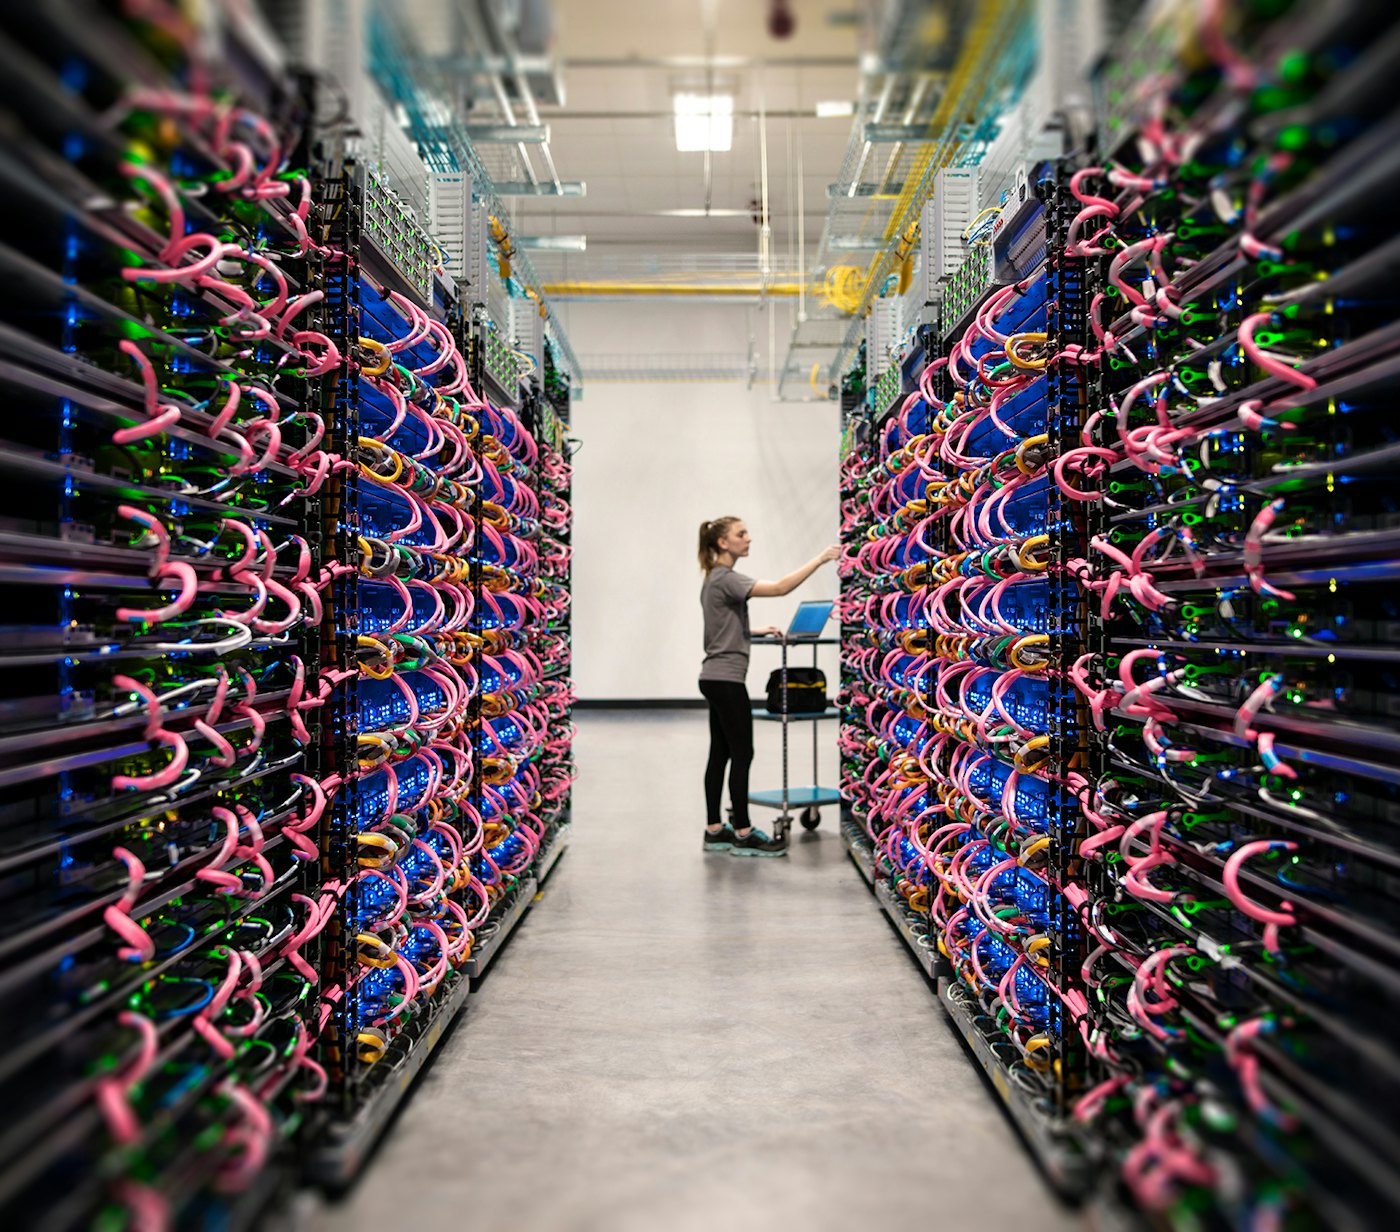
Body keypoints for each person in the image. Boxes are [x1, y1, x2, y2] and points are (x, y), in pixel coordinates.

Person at [697, 517, 840, 856]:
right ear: (723, 543)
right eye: (741, 534)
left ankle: (715, 829)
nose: (748, 538)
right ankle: (743, 832)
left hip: (713, 676)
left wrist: (752, 631)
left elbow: (719, 629)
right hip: (727, 679)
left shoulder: (713, 578)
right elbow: (779, 588)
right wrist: (820, 559)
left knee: (720, 753)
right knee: (742, 753)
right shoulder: (727, 578)